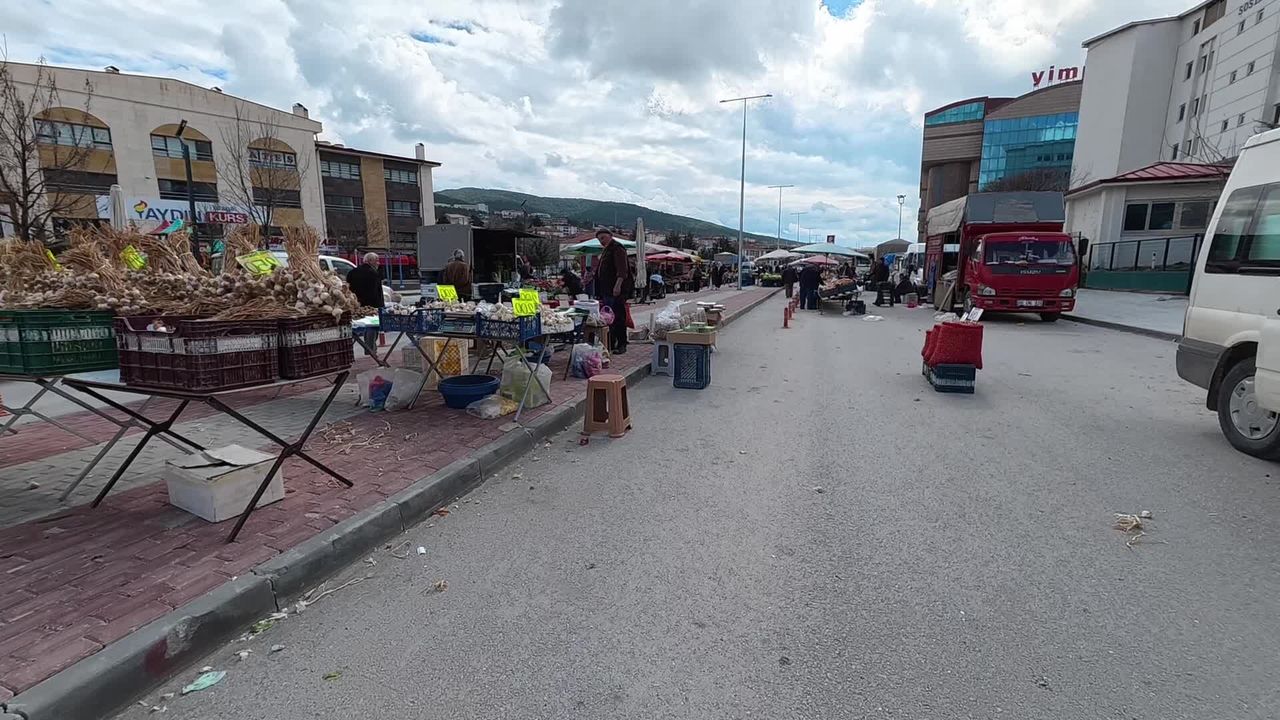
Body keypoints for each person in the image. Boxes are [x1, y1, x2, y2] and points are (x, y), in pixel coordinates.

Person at [593, 229, 632, 355]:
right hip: (606, 290)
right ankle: (612, 342)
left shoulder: (617, 248)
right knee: (610, 318)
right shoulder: (606, 250)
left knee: (618, 316)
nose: (601, 241)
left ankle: (622, 344)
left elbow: (622, 270)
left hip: (615, 290)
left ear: (610, 236)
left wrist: (618, 285)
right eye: (599, 239)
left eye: (603, 238)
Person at [346, 252, 384, 355]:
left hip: (356, 305)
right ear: (370, 261)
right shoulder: (373, 273)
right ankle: (370, 349)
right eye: (377, 261)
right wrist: (380, 306)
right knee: (372, 327)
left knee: (356, 327)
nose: (378, 263)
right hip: (371, 306)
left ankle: (358, 349)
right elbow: (377, 292)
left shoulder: (352, 272)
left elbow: (348, 289)